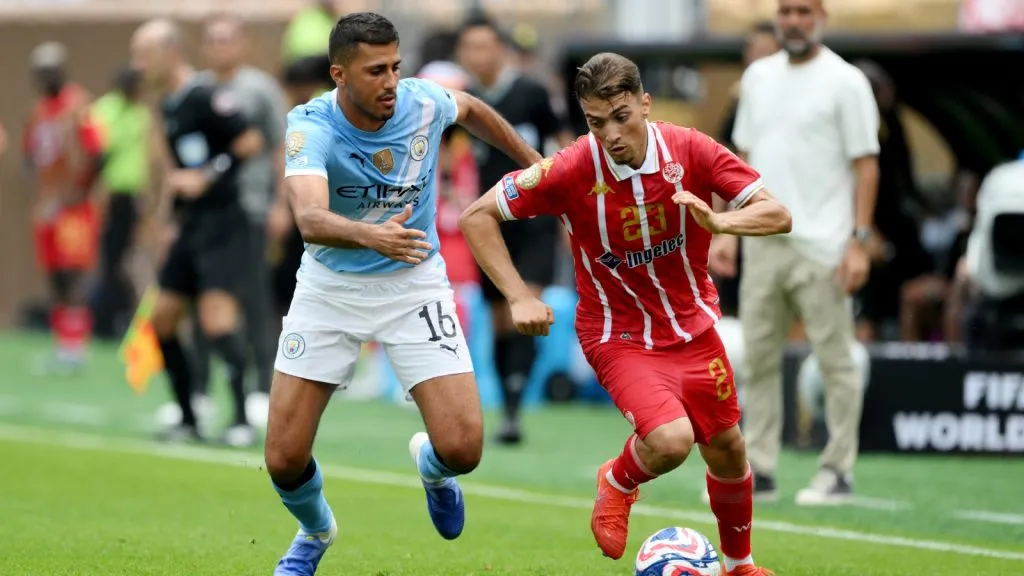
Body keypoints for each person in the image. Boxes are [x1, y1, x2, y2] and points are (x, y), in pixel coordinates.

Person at [459, 51, 790, 576]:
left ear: (645, 104)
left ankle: (738, 566)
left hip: (693, 325)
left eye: (621, 117)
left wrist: (724, 223)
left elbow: (777, 212)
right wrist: (518, 294)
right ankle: (617, 480)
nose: (610, 134)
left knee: (727, 448)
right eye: (595, 122)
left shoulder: (690, 149)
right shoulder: (568, 168)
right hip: (619, 333)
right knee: (672, 440)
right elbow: (475, 216)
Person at [267, 13, 541, 575]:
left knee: (464, 448)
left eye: (395, 66)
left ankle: (432, 470)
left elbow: (472, 111)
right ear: (339, 75)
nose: (391, 81)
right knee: (283, 458)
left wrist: (538, 167)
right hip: (330, 287)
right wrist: (373, 235)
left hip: (413, 281)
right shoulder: (310, 125)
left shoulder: (422, 103)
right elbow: (310, 217)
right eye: (375, 71)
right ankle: (315, 531)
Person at [716, 0, 880, 504]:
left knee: (835, 360)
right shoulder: (759, 77)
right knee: (759, 360)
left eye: (804, 11)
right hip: (763, 241)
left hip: (825, 243)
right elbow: (739, 162)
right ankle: (759, 470)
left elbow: (866, 165)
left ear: (822, 17)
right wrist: (727, 231)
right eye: (786, 10)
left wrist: (859, 240)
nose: (793, 20)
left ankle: (837, 472)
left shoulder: (846, 80)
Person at [129, 19, 265, 446]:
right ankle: (188, 416)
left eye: (144, 55)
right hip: (191, 226)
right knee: (163, 318)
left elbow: (249, 142)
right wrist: (167, 218)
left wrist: (207, 176)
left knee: (217, 320)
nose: (138, 65)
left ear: (170, 53)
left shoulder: (205, 95)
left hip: (225, 222)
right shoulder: (168, 104)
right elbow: (176, 172)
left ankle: (242, 417)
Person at [456, 13, 575, 444]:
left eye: (485, 46)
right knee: (499, 318)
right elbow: (452, 156)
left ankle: (514, 408)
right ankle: (508, 406)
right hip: (490, 220)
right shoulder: (464, 101)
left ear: (501, 49)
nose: (478, 55)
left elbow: (562, 144)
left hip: (536, 217)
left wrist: (569, 203)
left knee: (528, 307)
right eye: (470, 48)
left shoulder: (532, 92)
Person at [194, 12, 291, 427]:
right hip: (203, 212)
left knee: (254, 298)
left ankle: (259, 390)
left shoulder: (261, 90)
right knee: (200, 297)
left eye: (227, 39)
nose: (220, 46)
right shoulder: (196, 91)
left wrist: (281, 204)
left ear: (243, 43)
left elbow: (283, 148)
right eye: (212, 39)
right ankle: (198, 392)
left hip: (250, 206)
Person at [21, 41, 105, 373]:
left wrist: (78, 192)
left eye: (51, 70)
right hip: (48, 206)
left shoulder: (77, 106)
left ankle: (76, 347)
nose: (46, 77)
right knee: (54, 275)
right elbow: (30, 155)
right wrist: (43, 191)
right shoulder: (39, 112)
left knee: (72, 273)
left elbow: (97, 153)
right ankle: (63, 344)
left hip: (73, 207)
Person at [91, 66, 150, 340]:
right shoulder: (105, 110)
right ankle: (106, 318)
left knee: (126, 257)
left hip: (131, 195)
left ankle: (123, 316)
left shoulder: (140, 113)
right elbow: (98, 154)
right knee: (111, 259)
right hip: (110, 194)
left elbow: (142, 157)